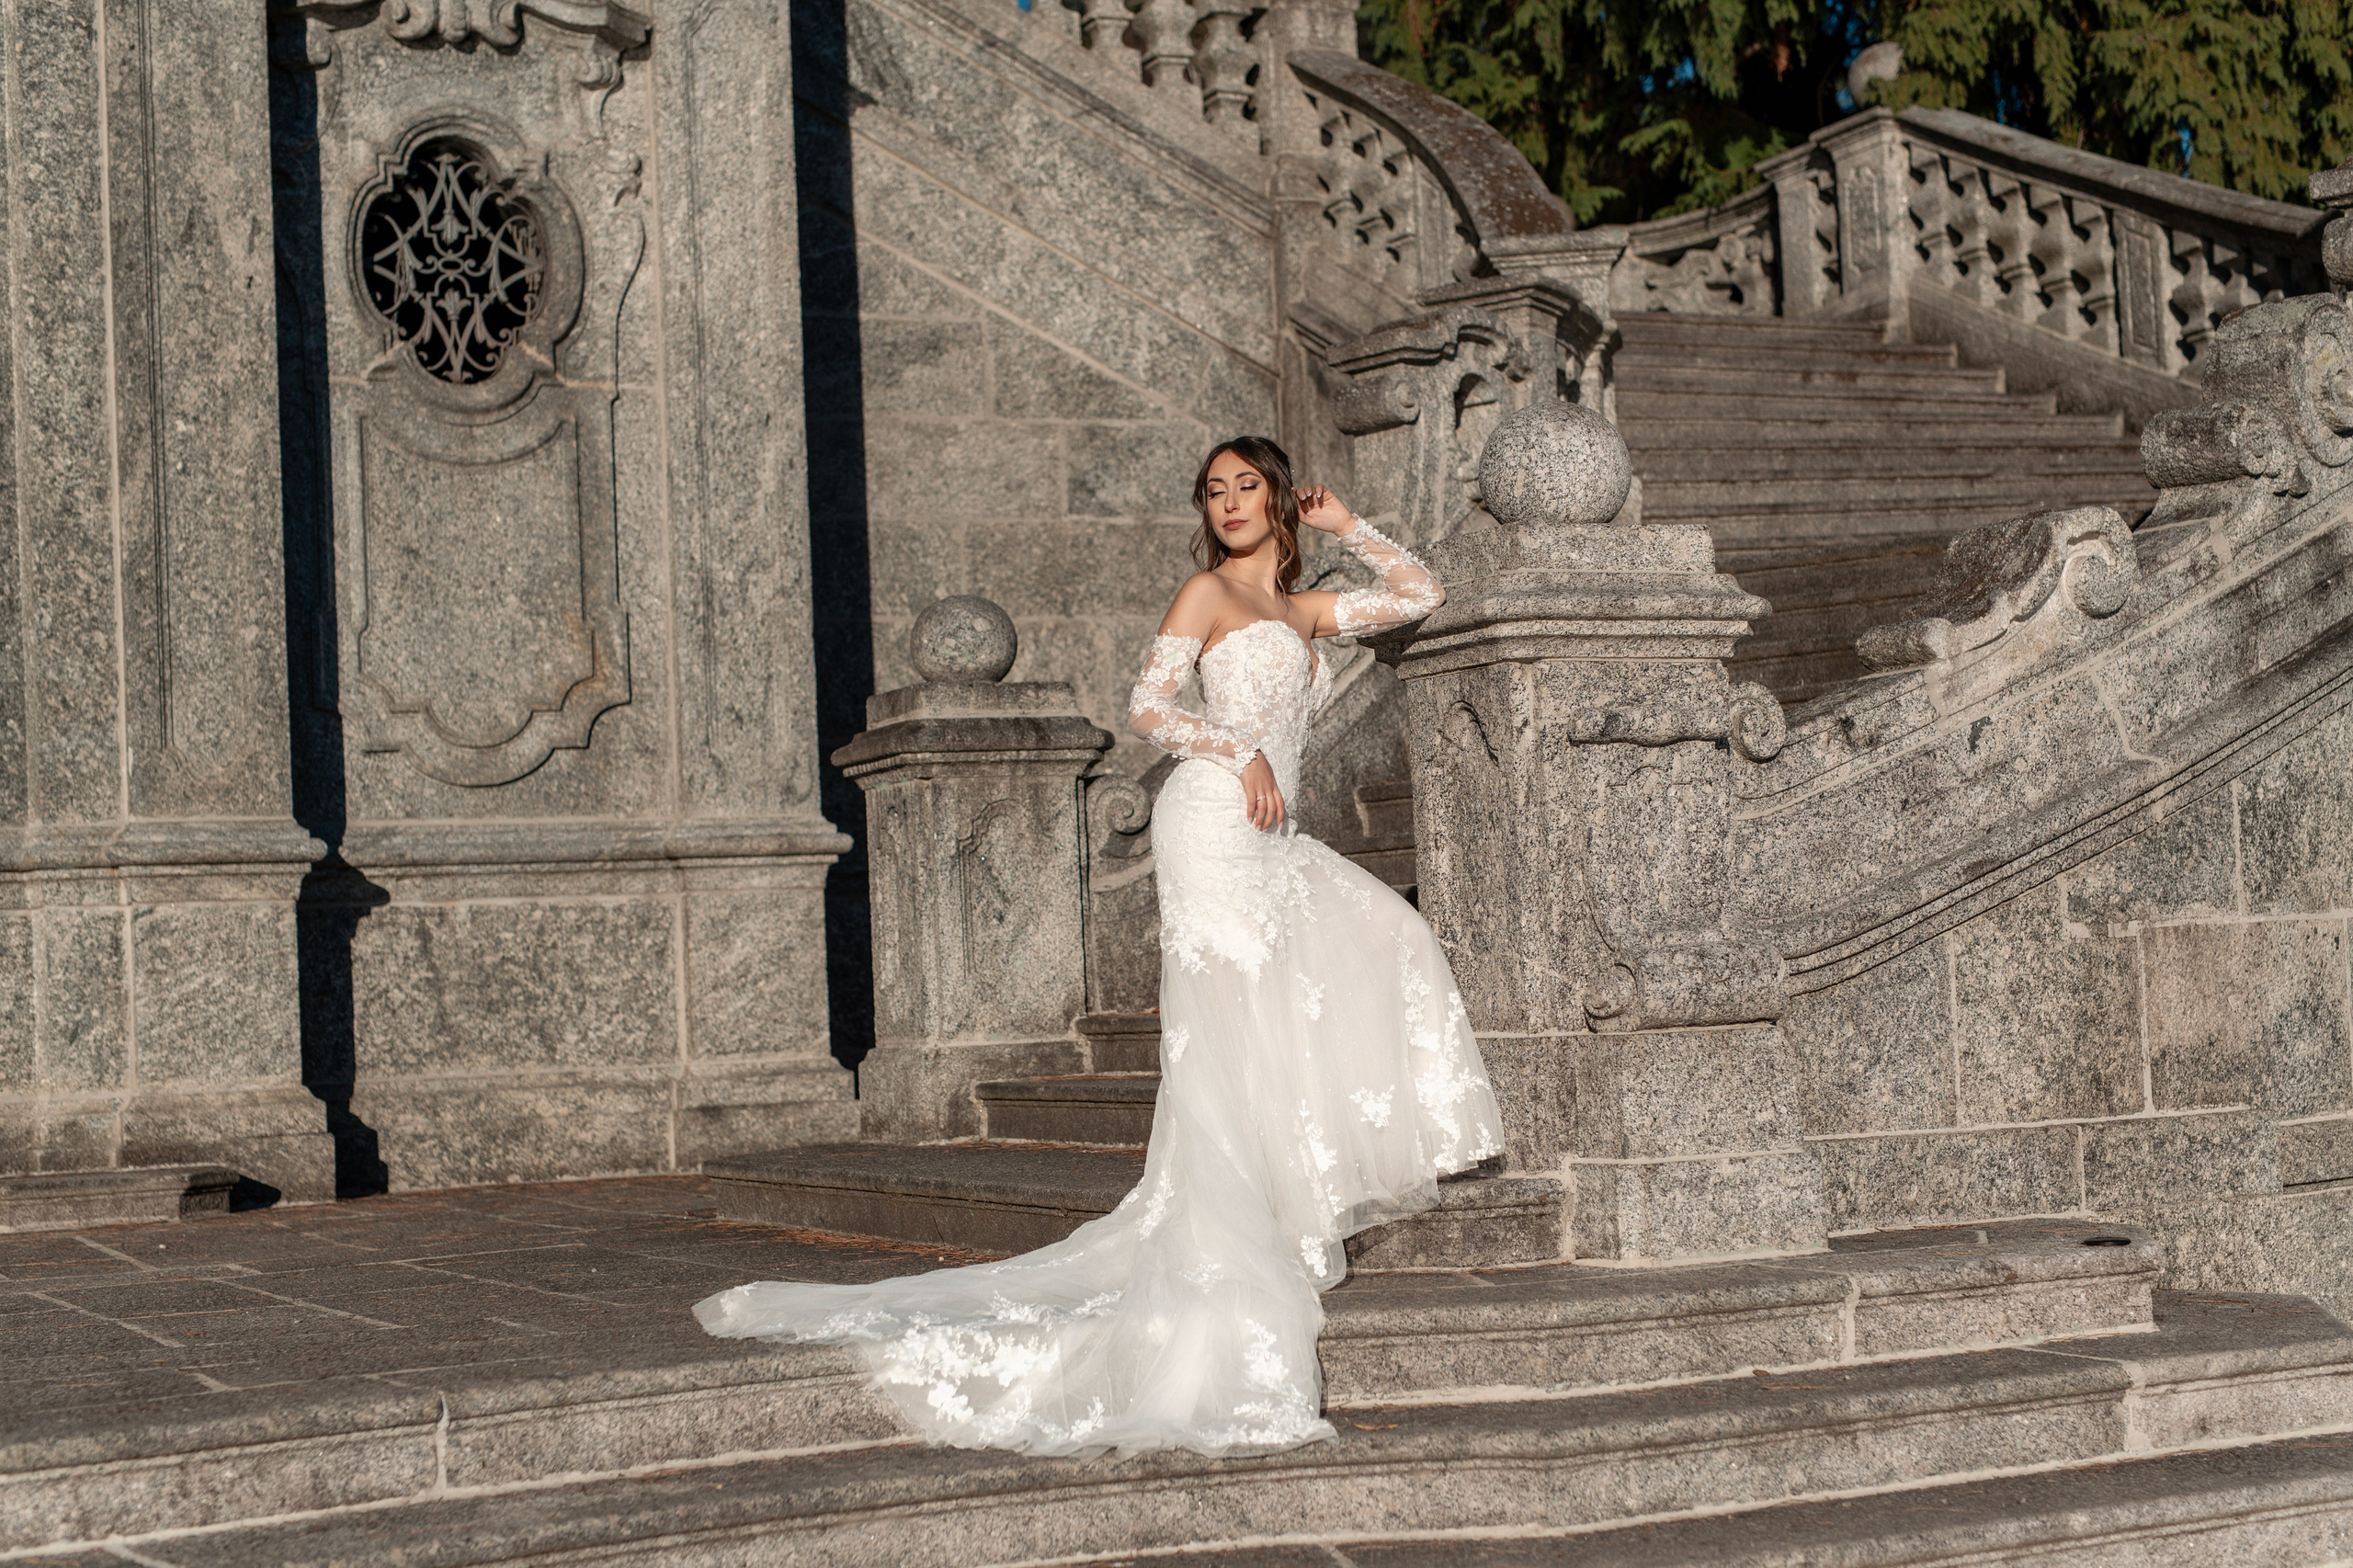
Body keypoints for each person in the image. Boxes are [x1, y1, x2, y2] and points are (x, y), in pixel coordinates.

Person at [694, 436, 1503, 1457]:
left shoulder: (1303, 611)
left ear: (1279, 500)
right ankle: (1240, 1217)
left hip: (1278, 834)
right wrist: (1240, 750)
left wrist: (1347, 524)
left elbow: (1421, 593)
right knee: (1229, 1009)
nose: (1229, 503)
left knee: (1387, 931)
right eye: (1214, 490)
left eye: (1247, 486)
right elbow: (1149, 708)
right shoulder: (1204, 594)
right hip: (1213, 816)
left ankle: (1283, 1190)